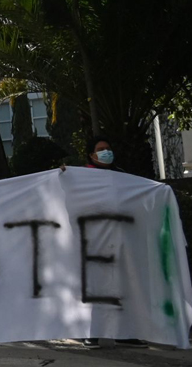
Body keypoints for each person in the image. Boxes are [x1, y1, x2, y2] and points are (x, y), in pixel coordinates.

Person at [61, 136, 147, 350]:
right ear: (91, 155)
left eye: (108, 148)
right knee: (92, 287)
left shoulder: (121, 177)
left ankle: (125, 333)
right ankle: (91, 332)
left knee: (123, 286)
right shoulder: (80, 176)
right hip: (91, 241)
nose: (106, 152)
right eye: (101, 149)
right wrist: (62, 175)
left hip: (119, 240)